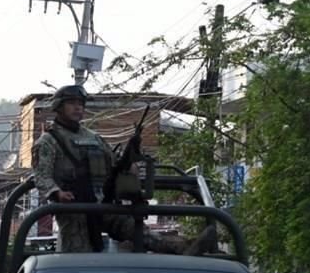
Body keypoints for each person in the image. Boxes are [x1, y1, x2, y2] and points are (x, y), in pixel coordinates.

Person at [32, 84, 216, 255]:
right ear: (59, 106)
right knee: (76, 258)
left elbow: (114, 162)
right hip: (74, 208)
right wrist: (57, 194)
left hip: (101, 202)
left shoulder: (94, 138)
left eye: (80, 103)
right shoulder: (49, 141)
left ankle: (181, 247)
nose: (78, 107)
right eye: (72, 103)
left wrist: (129, 165)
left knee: (135, 228)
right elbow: (42, 176)